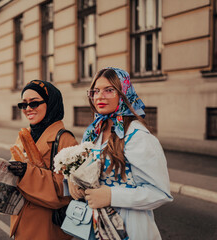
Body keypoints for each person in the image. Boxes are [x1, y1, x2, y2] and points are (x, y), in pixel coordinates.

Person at [68, 67, 173, 240]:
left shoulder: (138, 136)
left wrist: (112, 196)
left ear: (123, 94)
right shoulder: (93, 133)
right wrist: (73, 182)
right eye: (95, 91)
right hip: (93, 227)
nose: (99, 96)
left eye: (109, 90)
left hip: (129, 230)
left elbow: (160, 193)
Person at [8, 80, 78, 240]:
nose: (28, 109)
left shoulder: (65, 140)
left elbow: (65, 193)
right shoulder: (25, 135)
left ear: (50, 103)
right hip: (22, 223)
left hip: (46, 227)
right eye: (23, 105)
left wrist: (26, 172)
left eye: (34, 103)